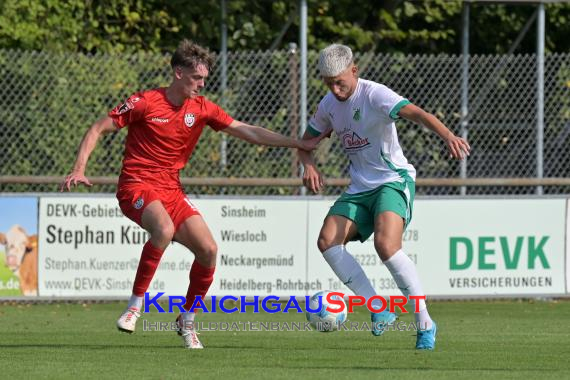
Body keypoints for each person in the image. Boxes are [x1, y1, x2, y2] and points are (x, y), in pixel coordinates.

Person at [62, 39, 326, 349]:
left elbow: (248, 131)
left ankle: (186, 319)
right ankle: (135, 304)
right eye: (196, 78)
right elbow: (97, 128)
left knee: (209, 250)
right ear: (178, 73)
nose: (201, 84)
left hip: (171, 188)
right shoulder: (145, 102)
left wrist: (296, 143)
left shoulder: (202, 108)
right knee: (163, 228)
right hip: (136, 183)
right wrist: (79, 168)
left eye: (204, 79)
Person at [299, 44, 470, 350]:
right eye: (329, 83)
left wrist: (448, 136)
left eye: (340, 82)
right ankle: (378, 309)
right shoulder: (328, 104)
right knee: (326, 241)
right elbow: (306, 142)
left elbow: (417, 113)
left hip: (393, 180)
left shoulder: (375, 94)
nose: (336, 89)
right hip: (360, 187)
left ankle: (425, 323)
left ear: (355, 70)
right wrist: (308, 164)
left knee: (386, 245)